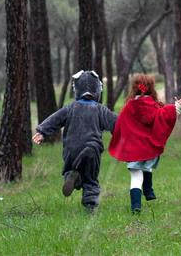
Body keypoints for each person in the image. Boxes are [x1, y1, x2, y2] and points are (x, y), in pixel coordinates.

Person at [32, 70, 117, 214]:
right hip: (92, 149)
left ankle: (73, 176)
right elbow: (117, 124)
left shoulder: (69, 108)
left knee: (72, 168)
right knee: (90, 179)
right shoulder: (100, 110)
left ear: (76, 89)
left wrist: (42, 131)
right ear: (98, 90)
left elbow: (55, 119)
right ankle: (90, 207)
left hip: (72, 149)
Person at [108, 74, 181, 213]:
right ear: (151, 89)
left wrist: (119, 140)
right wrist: (176, 108)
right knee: (147, 163)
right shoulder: (154, 106)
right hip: (147, 147)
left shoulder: (127, 108)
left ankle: (136, 205)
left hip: (133, 150)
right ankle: (149, 190)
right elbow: (163, 117)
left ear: (134, 89)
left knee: (136, 176)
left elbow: (119, 125)